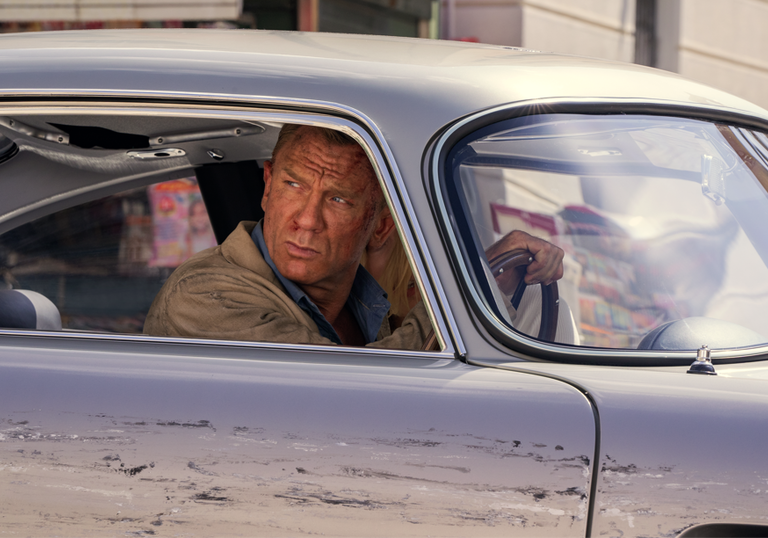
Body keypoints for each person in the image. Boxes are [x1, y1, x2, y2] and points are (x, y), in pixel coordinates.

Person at [144, 124, 565, 349]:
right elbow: (351, 399)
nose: (307, 221)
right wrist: (478, 285)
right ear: (267, 186)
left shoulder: (361, 304)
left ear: (379, 224)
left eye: (339, 199)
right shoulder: (202, 295)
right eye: (293, 185)